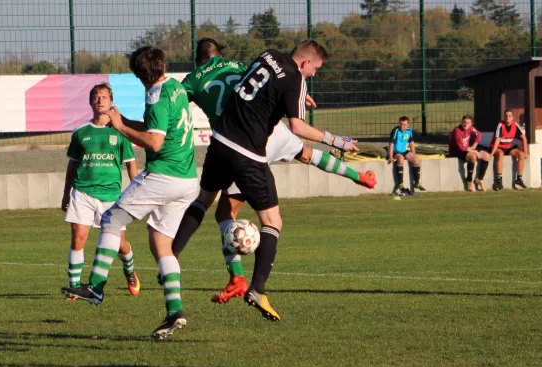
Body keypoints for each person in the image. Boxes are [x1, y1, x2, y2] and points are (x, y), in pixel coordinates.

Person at [174, 38, 376, 305]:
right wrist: (336, 139)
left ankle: (183, 259)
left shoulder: (265, 56)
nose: (314, 74)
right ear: (305, 63)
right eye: (315, 69)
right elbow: (297, 122)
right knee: (301, 163)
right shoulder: (245, 66)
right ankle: (252, 287)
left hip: (225, 137)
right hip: (258, 141)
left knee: (217, 208)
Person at [62, 47, 199, 341]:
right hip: (187, 179)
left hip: (166, 174)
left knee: (111, 218)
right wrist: (122, 121)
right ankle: (175, 309)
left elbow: (155, 143)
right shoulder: (175, 87)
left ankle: (96, 286)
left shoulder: (156, 96)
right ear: (163, 64)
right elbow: (155, 128)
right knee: (161, 244)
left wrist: (121, 126)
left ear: (139, 75)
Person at [61, 83, 140, 297]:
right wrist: (65, 193)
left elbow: (131, 164)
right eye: (96, 97)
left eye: (104, 97)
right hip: (83, 192)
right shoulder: (80, 133)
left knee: (121, 245)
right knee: (78, 238)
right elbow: (72, 164)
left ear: (111, 102)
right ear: (90, 102)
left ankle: (130, 270)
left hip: (112, 196)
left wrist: (137, 193)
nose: (100, 100)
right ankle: (75, 287)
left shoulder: (121, 132)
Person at [448, 115, 491, 192]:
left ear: (471, 124)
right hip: (456, 151)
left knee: (487, 156)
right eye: (464, 122)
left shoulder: (470, 128)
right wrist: (474, 151)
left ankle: (479, 179)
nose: (466, 124)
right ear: (461, 122)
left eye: (468, 123)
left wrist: (475, 145)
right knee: (472, 157)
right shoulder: (457, 131)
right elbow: (461, 148)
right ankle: (469, 180)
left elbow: (479, 135)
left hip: (466, 148)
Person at [488, 109, 528, 190]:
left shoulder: (515, 125)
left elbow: (524, 138)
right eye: (506, 116)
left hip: (508, 147)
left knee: (521, 155)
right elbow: (497, 140)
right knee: (500, 154)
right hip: (497, 147)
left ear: (512, 117)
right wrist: (491, 154)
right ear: (504, 117)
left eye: (510, 116)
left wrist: (526, 152)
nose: (508, 117)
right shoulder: (500, 125)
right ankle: (499, 181)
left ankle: (519, 179)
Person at [388, 116, 425, 193]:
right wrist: (391, 157)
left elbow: (411, 143)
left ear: (408, 125)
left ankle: (417, 183)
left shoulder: (409, 131)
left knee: (416, 159)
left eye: (404, 124)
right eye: (400, 124)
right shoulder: (395, 131)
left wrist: (413, 154)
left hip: (404, 151)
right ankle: (400, 183)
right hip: (396, 152)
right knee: (400, 158)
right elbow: (391, 144)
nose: (402, 126)